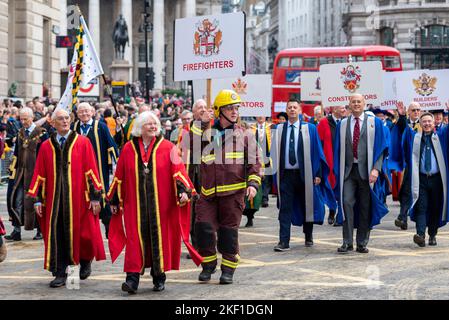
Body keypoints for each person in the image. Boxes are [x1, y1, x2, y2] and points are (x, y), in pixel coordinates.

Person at [107, 111, 202, 294]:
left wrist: (183, 191)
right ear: (139, 128)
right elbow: (120, 175)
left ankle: (159, 277)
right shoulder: (128, 148)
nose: (153, 126)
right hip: (135, 205)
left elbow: (179, 171)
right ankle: (132, 280)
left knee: (160, 239)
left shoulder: (168, 147)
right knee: (135, 240)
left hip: (162, 205)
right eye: (148, 124)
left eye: (154, 123)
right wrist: (114, 199)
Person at [28, 108, 106, 288]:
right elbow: (39, 174)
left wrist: (95, 198)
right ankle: (62, 273)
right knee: (58, 236)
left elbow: (92, 171)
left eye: (67, 118)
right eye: (60, 119)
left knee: (83, 235)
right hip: (54, 200)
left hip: (79, 199)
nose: (65, 121)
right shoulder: (47, 145)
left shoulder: (83, 142)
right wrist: (38, 199)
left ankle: (85, 260)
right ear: (53, 123)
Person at [194, 89, 262, 285]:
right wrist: (201, 122)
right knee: (203, 228)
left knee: (228, 233)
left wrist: (253, 184)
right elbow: (191, 148)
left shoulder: (245, 135)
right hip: (207, 193)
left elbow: (256, 163)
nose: (234, 112)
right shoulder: (206, 134)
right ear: (218, 111)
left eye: (236, 108)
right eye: (229, 108)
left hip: (233, 194)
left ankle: (228, 270)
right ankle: (208, 264)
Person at [271, 99, 336, 251]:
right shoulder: (278, 129)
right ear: (286, 111)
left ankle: (308, 235)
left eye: (295, 107)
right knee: (285, 208)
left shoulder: (310, 129)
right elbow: (273, 154)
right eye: (290, 107)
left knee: (308, 205)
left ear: (300, 110)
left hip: (305, 174)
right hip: (286, 175)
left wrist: (318, 174)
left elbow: (317, 152)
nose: (292, 110)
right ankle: (284, 241)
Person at [334, 94, 389, 254]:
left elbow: (381, 148)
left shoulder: (375, 123)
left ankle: (362, 242)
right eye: (353, 102)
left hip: (367, 171)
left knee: (365, 206)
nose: (356, 104)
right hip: (349, 171)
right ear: (349, 104)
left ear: (364, 104)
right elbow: (338, 149)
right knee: (346, 203)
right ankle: (347, 242)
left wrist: (376, 169)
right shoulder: (343, 124)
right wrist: (338, 171)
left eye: (359, 101)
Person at [393, 104, 449, 247]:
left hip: (437, 179)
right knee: (421, 206)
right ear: (421, 124)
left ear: (434, 123)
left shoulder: (440, 136)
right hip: (421, 179)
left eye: (429, 121)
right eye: (424, 121)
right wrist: (402, 117)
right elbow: (403, 131)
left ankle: (432, 234)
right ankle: (420, 234)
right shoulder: (415, 138)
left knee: (435, 208)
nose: (427, 123)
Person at [73, 102, 119, 238]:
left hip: (99, 169)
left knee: (102, 197)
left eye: (87, 111)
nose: (84, 114)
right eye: (81, 112)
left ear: (92, 112)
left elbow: (112, 146)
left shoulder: (101, 127)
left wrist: (116, 166)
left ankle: (108, 227)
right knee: (83, 198)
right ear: (77, 114)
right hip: (79, 171)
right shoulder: (74, 127)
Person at [7, 107, 48, 242]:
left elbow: (45, 155)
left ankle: (40, 230)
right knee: (16, 200)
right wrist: (12, 169)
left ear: (32, 118)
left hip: (36, 174)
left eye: (26, 119)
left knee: (36, 201)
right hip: (20, 174)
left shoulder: (41, 133)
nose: (23, 121)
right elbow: (16, 154)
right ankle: (16, 230)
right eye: (21, 119)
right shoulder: (20, 133)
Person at [391, 102, 422, 230]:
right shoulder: (404, 123)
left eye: (418, 110)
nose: (416, 112)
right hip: (408, 164)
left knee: (416, 193)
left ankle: (405, 217)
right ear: (409, 111)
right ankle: (403, 217)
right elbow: (400, 129)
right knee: (405, 191)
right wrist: (402, 116)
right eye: (413, 110)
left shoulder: (425, 124)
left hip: (422, 165)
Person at [317, 106, 346, 226]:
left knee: (343, 188)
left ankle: (341, 214)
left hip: (343, 160)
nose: (344, 109)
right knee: (331, 187)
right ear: (334, 110)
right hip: (329, 161)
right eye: (342, 107)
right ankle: (332, 210)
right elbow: (318, 143)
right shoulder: (324, 122)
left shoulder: (346, 122)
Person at [251, 116, 273, 209]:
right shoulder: (251, 128)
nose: (260, 116)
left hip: (267, 156)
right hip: (256, 157)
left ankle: (265, 198)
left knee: (267, 179)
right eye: (258, 114)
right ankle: (257, 198)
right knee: (256, 176)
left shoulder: (271, 128)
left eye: (262, 114)